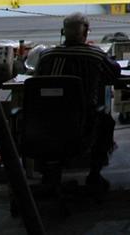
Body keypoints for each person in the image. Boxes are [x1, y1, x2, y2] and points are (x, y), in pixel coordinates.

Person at [35, 11, 122, 193]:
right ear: (86, 33)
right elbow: (114, 73)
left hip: (45, 124)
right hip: (84, 124)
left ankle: (47, 174)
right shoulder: (95, 56)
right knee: (106, 121)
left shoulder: (46, 56)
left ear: (62, 32)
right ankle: (94, 174)